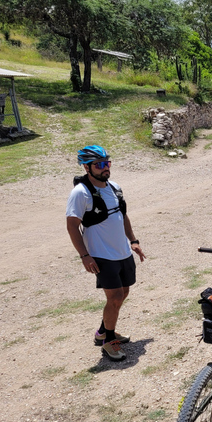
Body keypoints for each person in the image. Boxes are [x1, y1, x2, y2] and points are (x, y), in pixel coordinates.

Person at [66, 145, 146, 362]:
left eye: (107, 163)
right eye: (99, 165)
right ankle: (109, 341)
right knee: (115, 297)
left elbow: (123, 216)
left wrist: (133, 241)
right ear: (86, 167)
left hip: (122, 251)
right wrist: (85, 256)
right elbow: (72, 226)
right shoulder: (81, 193)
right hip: (101, 254)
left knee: (124, 292)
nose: (105, 168)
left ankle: (103, 331)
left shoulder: (114, 187)